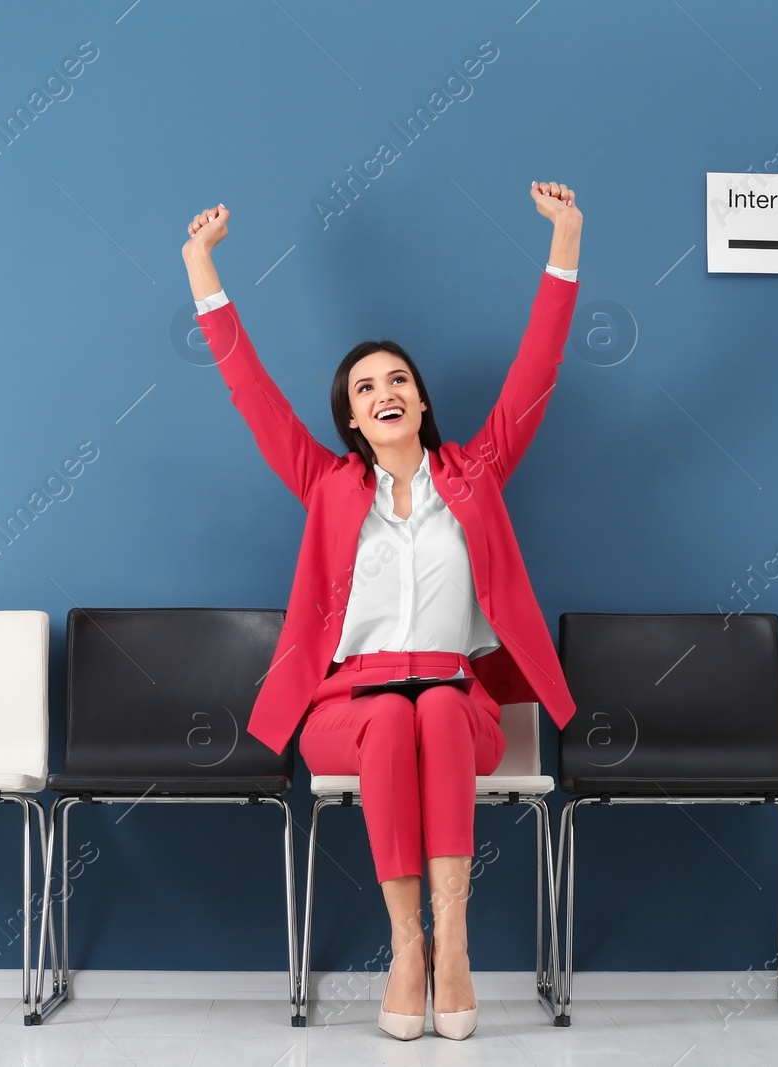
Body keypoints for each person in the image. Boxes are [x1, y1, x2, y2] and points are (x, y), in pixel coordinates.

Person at [181, 182, 582, 1040]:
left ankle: (456, 940)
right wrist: (201, 269)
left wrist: (566, 242)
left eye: (399, 379)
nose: (385, 391)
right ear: (353, 420)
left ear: (423, 401)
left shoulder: (475, 474)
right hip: (345, 707)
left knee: (434, 705)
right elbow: (252, 395)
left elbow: (537, 369)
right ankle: (409, 948)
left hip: (457, 698)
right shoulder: (327, 486)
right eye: (366, 388)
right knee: (394, 724)